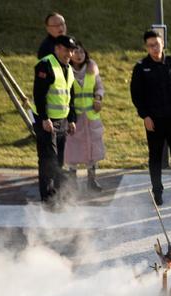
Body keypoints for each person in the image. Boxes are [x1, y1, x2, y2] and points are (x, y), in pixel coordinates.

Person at [130, 30, 171, 206]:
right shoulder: (141, 67)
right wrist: (145, 116)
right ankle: (157, 191)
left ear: (163, 44)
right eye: (151, 45)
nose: (155, 48)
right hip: (154, 120)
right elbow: (137, 95)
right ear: (146, 47)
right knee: (156, 157)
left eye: (157, 44)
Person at [32, 35, 77, 207]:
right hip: (47, 121)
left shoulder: (68, 68)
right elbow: (39, 94)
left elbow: (70, 96)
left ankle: (58, 194)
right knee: (47, 160)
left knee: (58, 161)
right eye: (66, 50)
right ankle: (48, 198)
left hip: (62, 121)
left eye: (72, 50)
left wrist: (71, 119)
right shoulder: (45, 65)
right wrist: (44, 118)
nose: (69, 54)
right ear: (57, 48)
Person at [64, 41, 105, 192]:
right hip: (73, 117)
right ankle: (72, 182)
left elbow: (99, 87)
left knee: (92, 149)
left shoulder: (91, 67)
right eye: (75, 52)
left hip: (91, 117)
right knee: (72, 148)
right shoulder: (65, 70)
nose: (79, 55)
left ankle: (91, 180)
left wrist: (98, 98)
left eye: (81, 52)